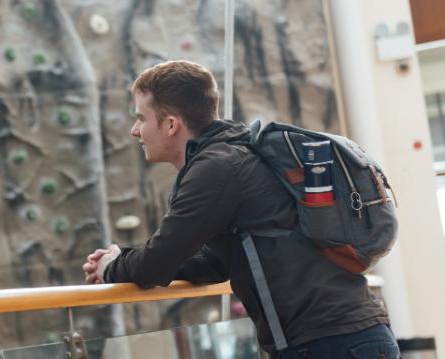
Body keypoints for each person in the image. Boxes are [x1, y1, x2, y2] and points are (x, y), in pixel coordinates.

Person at [82, 60, 399, 358]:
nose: (135, 131)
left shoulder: (217, 168)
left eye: (141, 118)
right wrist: (123, 259)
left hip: (330, 344)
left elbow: (156, 263)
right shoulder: (236, 153)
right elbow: (215, 265)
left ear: (170, 124)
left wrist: (113, 265)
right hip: (342, 339)